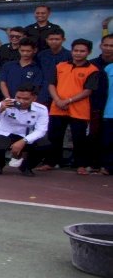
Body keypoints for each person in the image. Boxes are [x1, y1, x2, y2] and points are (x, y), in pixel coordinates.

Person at [38, 39, 100, 175]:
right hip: (57, 107)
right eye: (76, 50)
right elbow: (51, 84)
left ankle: (81, 165)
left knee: (79, 138)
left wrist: (68, 101)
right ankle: (51, 162)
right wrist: (58, 100)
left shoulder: (92, 70)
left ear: (89, 52)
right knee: (54, 136)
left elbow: (88, 90)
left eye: (82, 51)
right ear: (71, 51)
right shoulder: (61, 66)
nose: (78, 53)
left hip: (79, 110)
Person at [0, 83, 50, 176]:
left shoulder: (41, 109)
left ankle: (26, 167)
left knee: (44, 145)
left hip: (26, 136)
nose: (21, 101)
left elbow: (41, 130)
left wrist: (24, 141)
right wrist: (0, 110)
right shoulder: (6, 103)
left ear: (34, 98)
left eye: (25, 99)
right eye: (18, 97)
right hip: (5, 133)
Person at [89, 34, 113, 174]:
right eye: (106, 45)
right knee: (96, 137)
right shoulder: (92, 65)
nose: (108, 48)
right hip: (95, 108)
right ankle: (95, 164)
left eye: (112, 46)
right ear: (101, 46)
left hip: (109, 107)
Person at [0, 26, 26, 110]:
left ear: (24, 37)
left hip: (18, 83)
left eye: (17, 36)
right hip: (2, 81)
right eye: (11, 36)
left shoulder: (25, 50)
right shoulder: (2, 49)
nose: (14, 38)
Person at [34, 27, 70, 106]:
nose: (54, 41)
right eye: (51, 39)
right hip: (43, 93)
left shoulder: (69, 55)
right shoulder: (41, 55)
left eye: (57, 39)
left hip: (61, 92)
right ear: (46, 40)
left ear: (63, 40)